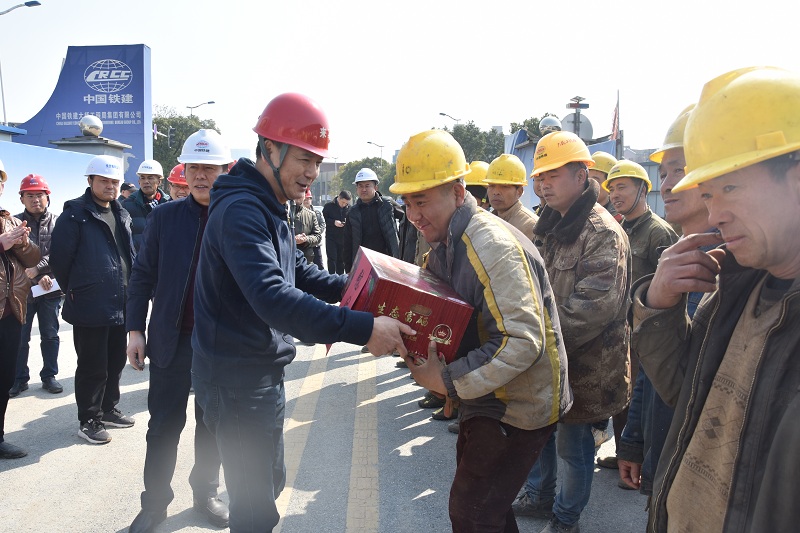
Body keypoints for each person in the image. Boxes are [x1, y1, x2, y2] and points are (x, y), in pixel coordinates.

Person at [191, 92, 413, 532]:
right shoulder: (241, 210)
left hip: (259, 370)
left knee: (268, 485)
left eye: (317, 160)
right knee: (254, 509)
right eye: (304, 158)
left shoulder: (267, 204)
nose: (312, 171)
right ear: (269, 149)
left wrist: (361, 288)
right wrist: (363, 327)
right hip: (236, 379)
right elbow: (273, 296)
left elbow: (298, 270)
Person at [632, 66, 800, 532]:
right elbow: (685, 393)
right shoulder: (738, 285)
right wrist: (659, 305)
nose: (716, 213)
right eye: (707, 194)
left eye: (730, 188)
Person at [393, 129, 571, 533]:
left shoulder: (491, 247)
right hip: (487, 394)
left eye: (422, 200)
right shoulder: (447, 241)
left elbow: (521, 341)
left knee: (472, 512)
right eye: (407, 203)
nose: (413, 214)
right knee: (487, 509)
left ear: (458, 193)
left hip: (519, 402)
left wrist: (446, 380)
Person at [513, 131, 631, 533]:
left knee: (573, 447)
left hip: (586, 365)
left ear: (581, 176)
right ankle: (540, 496)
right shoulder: (550, 225)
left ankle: (566, 520)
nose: (543, 184)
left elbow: (592, 308)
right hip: (548, 355)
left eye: (553, 175)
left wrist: (537, 339)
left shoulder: (601, 232)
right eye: (539, 177)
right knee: (540, 434)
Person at [126, 129, 231, 533]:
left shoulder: (235, 218)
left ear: (224, 171)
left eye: (209, 168)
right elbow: (141, 276)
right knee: (163, 427)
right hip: (171, 341)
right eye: (194, 167)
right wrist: (135, 329)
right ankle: (154, 505)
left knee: (211, 425)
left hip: (218, 345)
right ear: (183, 172)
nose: (201, 175)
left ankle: (205, 493)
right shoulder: (164, 217)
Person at [616, 104, 708, 500]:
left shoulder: (729, 271)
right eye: (664, 173)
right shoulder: (680, 259)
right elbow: (651, 369)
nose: (667, 185)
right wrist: (634, 440)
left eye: (679, 170)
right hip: (664, 453)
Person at [595, 160, 678, 474]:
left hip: (646, 333)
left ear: (643, 189)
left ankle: (642, 462)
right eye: (612, 188)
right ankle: (624, 453)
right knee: (621, 396)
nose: (615, 194)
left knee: (643, 399)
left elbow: (670, 291)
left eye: (623, 187)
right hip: (619, 331)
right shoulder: (618, 228)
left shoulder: (660, 232)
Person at [50, 155, 136, 445]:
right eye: (104, 181)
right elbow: (60, 261)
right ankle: (89, 419)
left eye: (114, 182)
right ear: (90, 181)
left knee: (115, 360)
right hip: (90, 302)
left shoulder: (121, 212)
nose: (110, 186)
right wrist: (78, 290)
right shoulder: (75, 215)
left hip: (120, 300)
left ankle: (108, 408)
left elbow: (128, 254)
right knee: (92, 364)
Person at [0, 160, 41, 459]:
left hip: (11, 311)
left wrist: (23, 243)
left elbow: (33, 259)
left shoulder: (11, 221)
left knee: (4, 377)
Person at [11, 174, 63, 398]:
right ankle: (19, 379)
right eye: (30, 195)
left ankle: (49, 376)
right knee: (21, 337)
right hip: (23, 292)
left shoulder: (58, 221)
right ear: (21, 198)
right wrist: (34, 276)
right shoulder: (14, 223)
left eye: (40, 195)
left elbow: (61, 251)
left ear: (47, 197)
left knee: (50, 335)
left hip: (50, 289)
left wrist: (40, 270)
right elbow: (13, 257)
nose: (35, 200)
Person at [343, 167, 399, 272]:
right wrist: (349, 270)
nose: (363, 189)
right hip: (363, 264)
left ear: (376, 187)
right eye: (360, 186)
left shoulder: (387, 204)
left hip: (387, 263)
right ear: (356, 189)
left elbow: (406, 219)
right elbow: (347, 243)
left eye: (367, 186)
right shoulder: (352, 212)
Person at [485, 153, 539, 241]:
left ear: (519, 191)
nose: (496, 192)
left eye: (504, 186)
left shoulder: (531, 226)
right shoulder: (487, 220)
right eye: (491, 186)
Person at [123, 159, 171, 251]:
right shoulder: (127, 205)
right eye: (143, 178)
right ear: (139, 181)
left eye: (150, 178)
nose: (146, 181)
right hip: (138, 258)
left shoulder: (169, 204)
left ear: (159, 181)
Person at [322, 190, 351, 274]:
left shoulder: (350, 208)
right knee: (332, 258)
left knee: (341, 260)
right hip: (331, 237)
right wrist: (333, 222)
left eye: (346, 203)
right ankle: (331, 277)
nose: (344, 205)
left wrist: (346, 223)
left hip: (343, 237)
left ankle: (340, 277)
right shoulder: (328, 206)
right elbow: (323, 220)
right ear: (339, 198)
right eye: (343, 202)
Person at [291, 188, 322, 266]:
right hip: (287, 259)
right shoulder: (283, 212)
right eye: (296, 192)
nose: (299, 195)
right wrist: (292, 239)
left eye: (301, 193)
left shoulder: (311, 215)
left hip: (306, 260)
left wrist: (306, 239)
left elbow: (317, 236)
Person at [589, 151, 621, 222]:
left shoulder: (617, 219)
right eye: (587, 180)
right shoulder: (577, 212)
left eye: (595, 181)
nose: (589, 185)